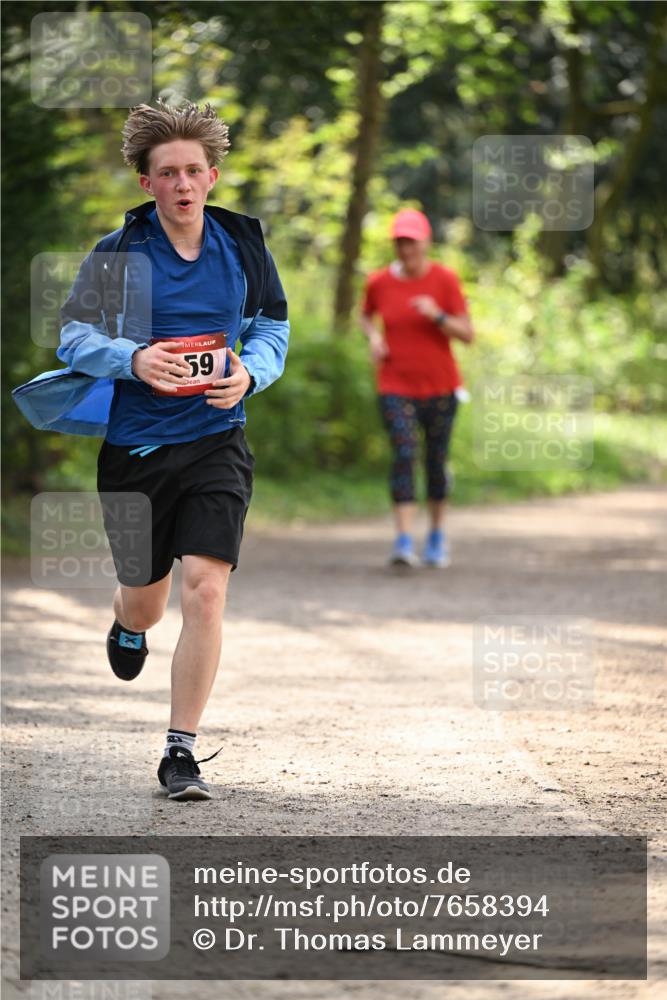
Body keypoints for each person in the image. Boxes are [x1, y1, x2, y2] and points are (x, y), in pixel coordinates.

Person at [19, 101, 289, 800]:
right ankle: (125, 620)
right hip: (137, 449)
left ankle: (180, 752)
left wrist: (251, 371)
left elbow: (270, 328)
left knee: (205, 590)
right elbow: (74, 337)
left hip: (215, 441)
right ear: (147, 183)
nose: (182, 184)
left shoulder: (242, 247)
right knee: (146, 600)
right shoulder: (120, 252)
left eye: (194, 171)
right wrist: (133, 359)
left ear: (212, 175)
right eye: (167, 172)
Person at [360, 208, 473, 568]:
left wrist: (437, 315)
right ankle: (404, 540)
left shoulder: (445, 280)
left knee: (436, 461)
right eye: (400, 241)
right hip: (395, 383)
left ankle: (437, 534)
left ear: (426, 243)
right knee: (405, 452)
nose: (405, 248)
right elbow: (365, 315)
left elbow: (468, 334)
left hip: (441, 387)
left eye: (411, 241)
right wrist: (375, 337)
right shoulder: (379, 282)